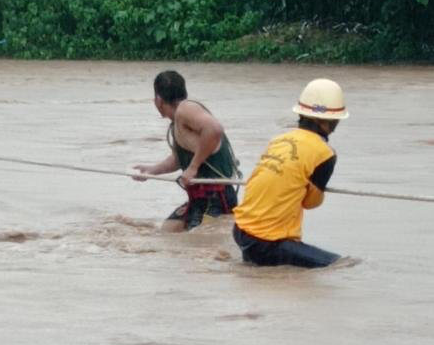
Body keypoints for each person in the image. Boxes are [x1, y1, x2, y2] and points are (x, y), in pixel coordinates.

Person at [232, 78, 349, 268]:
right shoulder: (325, 153)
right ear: (330, 122)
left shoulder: (279, 140)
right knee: (341, 265)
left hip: (240, 230)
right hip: (268, 242)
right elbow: (311, 203)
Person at [132, 70, 240, 231]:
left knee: (198, 246)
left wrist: (193, 167)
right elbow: (178, 159)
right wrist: (152, 170)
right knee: (168, 231)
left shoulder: (185, 109)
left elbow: (214, 129)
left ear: (158, 100)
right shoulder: (179, 120)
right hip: (198, 197)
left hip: (216, 196)